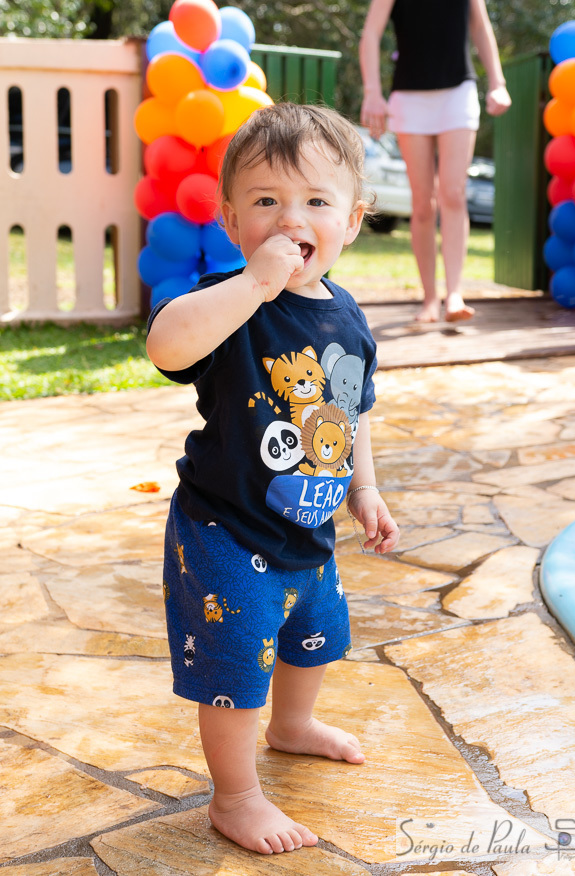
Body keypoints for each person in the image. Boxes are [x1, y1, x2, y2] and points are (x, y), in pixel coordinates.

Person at [146, 102, 400, 856]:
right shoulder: (232, 304)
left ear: (351, 221)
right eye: (266, 201)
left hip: (308, 523)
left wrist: (364, 489)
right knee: (235, 661)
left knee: (309, 637)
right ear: (230, 219)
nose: (291, 219)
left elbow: (354, 413)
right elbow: (166, 345)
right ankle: (235, 796)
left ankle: (291, 726)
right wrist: (252, 286)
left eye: (316, 201)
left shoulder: (347, 317)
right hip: (225, 528)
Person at [359, 0, 511, 322]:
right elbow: (370, 33)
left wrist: (498, 82)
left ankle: (454, 295)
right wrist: (372, 92)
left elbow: (480, 26)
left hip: (458, 93)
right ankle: (429, 299)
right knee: (422, 202)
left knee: (453, 194)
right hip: (409, 98)